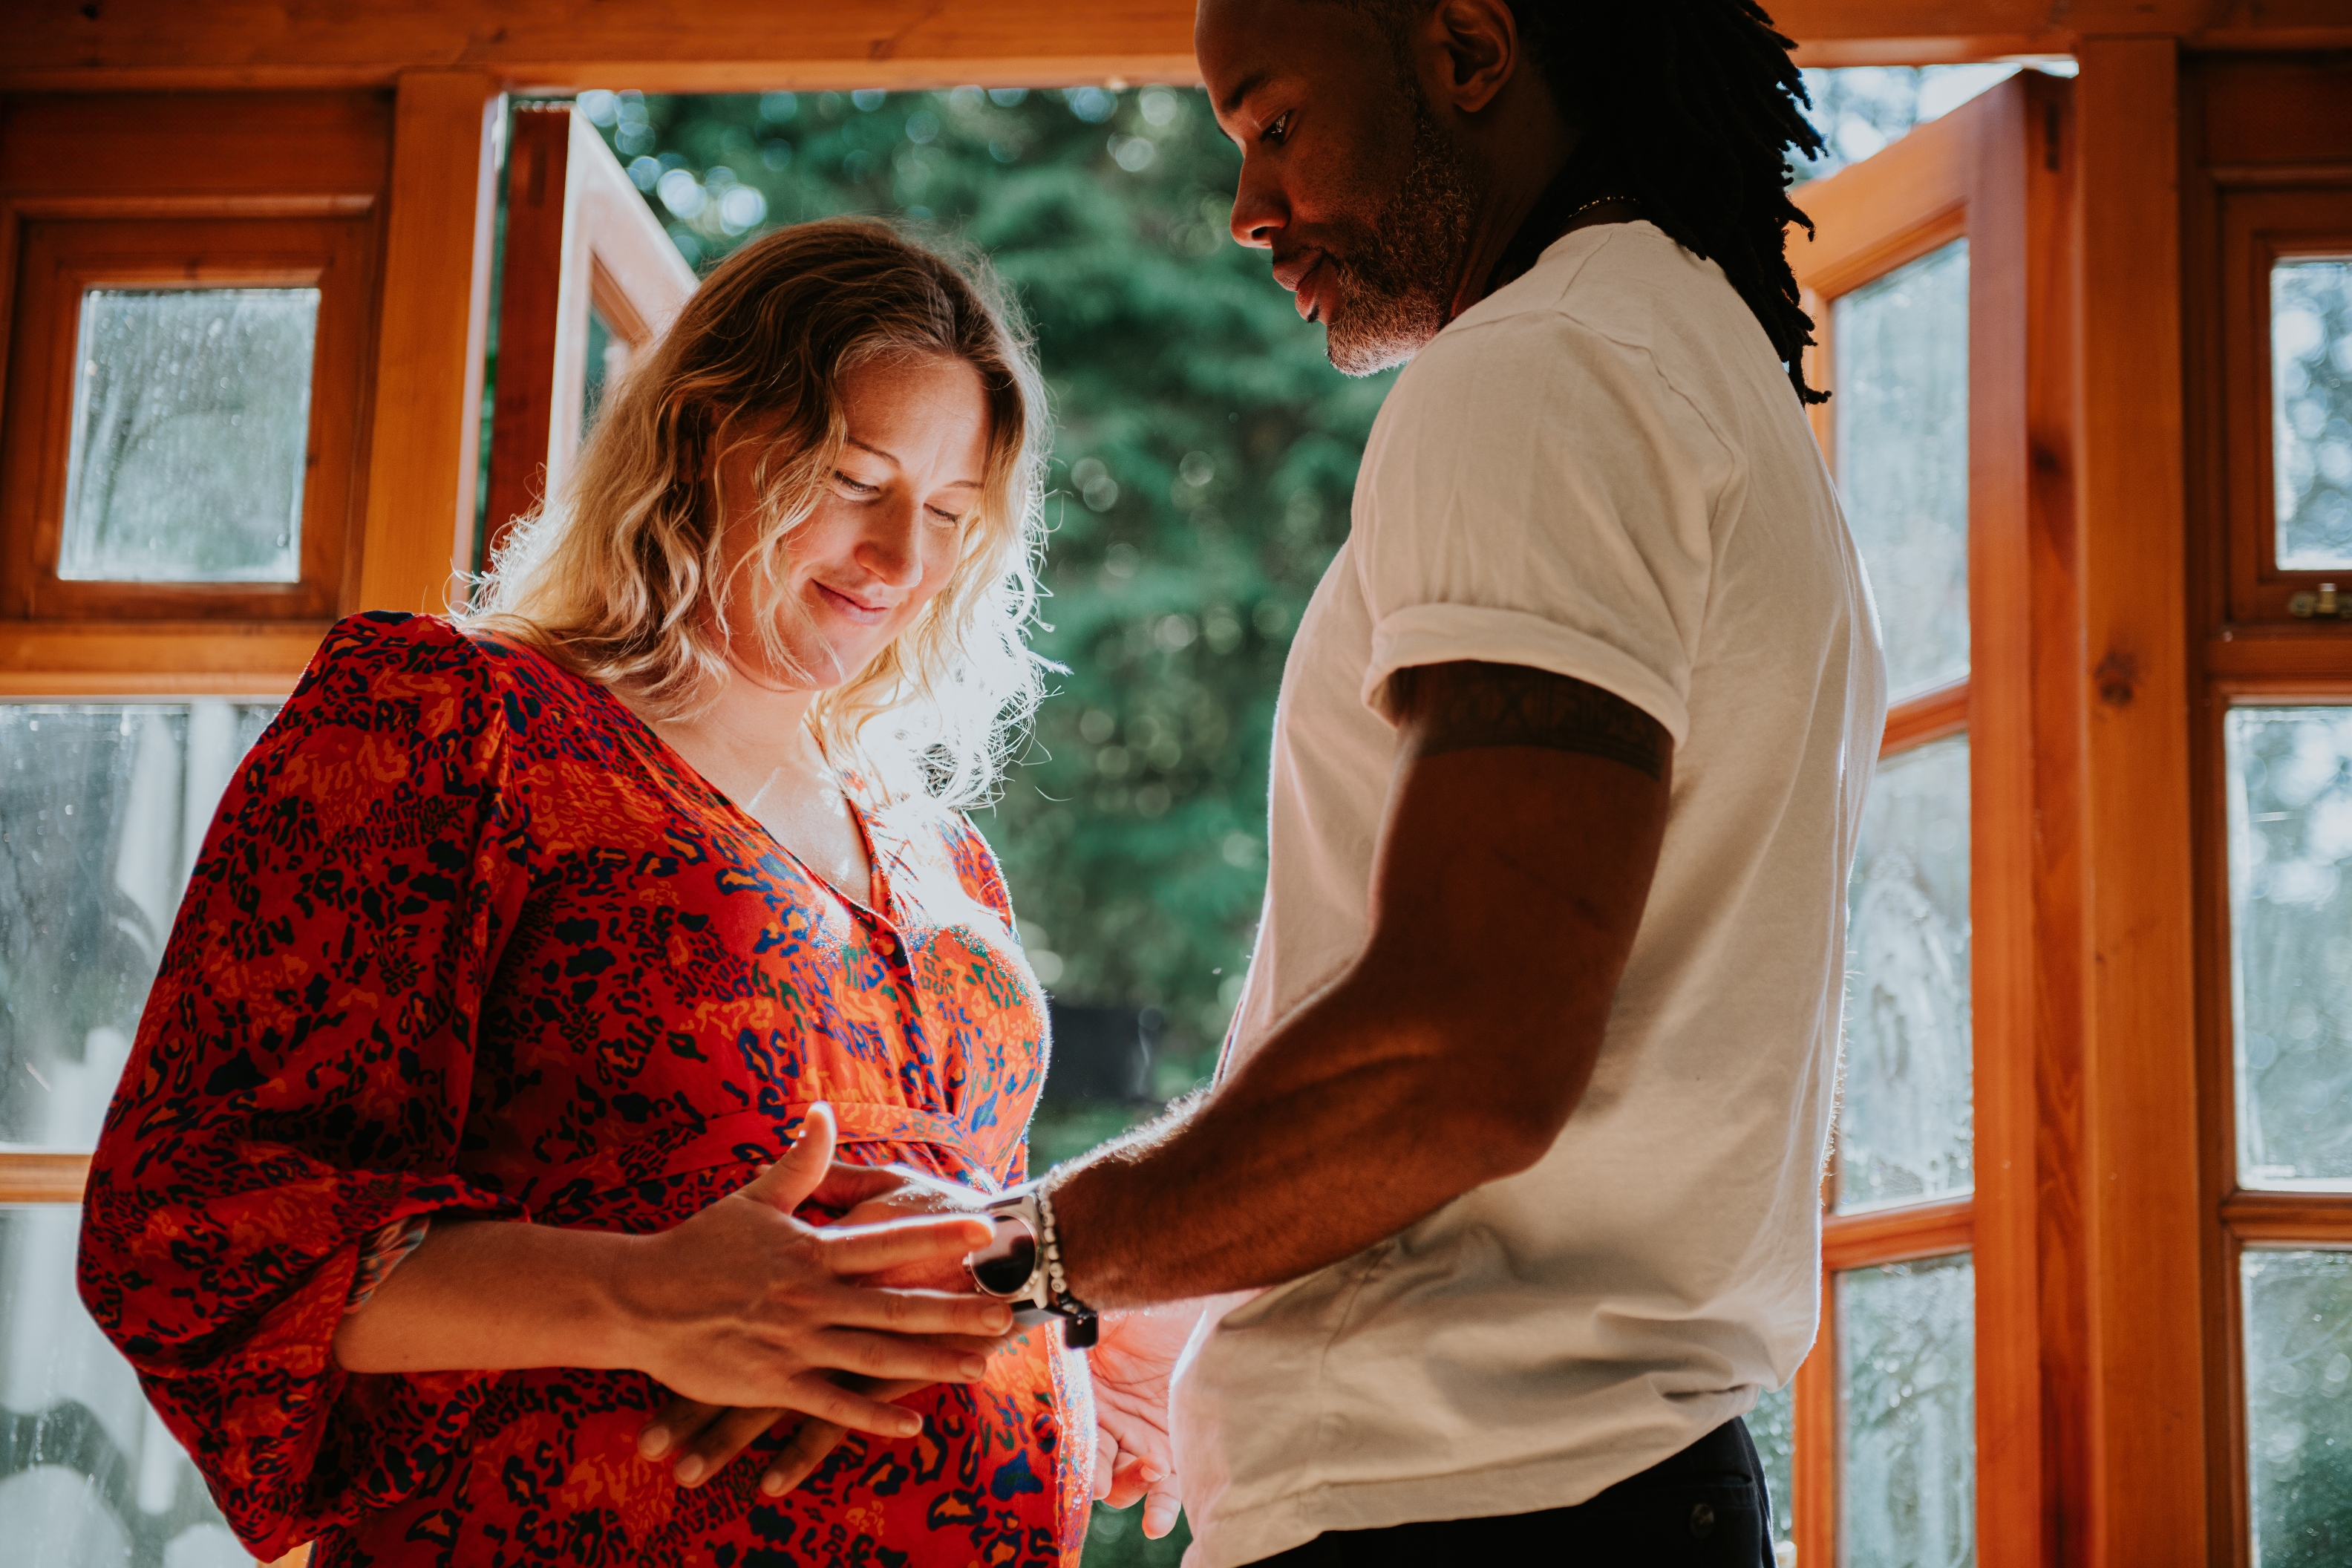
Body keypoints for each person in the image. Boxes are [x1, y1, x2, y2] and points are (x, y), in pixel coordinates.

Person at [667, 1, 1889, 1561]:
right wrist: (1186, 1299)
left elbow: (1464, 1055)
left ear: (1466, 51)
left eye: (1275, 123)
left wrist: (1018, 1256)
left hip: (1464, 1517)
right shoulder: (1698, 368)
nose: (1249, 207)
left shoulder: (1544, 368)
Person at [76, 219, 1100, 1567]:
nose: (903, 556)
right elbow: (189, 1218)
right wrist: (641, 1297)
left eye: (954, 515)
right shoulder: (457, 723)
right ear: (700, 435)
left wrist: (1080, 1327)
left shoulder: (945, 859)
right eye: (854, 479)